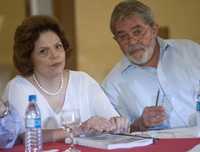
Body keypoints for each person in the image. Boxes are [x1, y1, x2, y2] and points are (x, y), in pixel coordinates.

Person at [4, 15, 128, 143]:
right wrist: (80, 129)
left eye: (58, 46)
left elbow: (111, 120)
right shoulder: (18, 87)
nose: (54, 55)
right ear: (28, 58)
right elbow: (26, 136)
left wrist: (116, 123)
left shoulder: (83, 81)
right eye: (43, 51)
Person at [102, 0, 200, 131]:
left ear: (154, 30)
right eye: (123, 36)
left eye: (137, 32)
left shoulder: (191, 52)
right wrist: (139, 124)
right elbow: (113, 133)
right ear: (116, 41)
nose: (132, 41)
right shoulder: (112, 85)